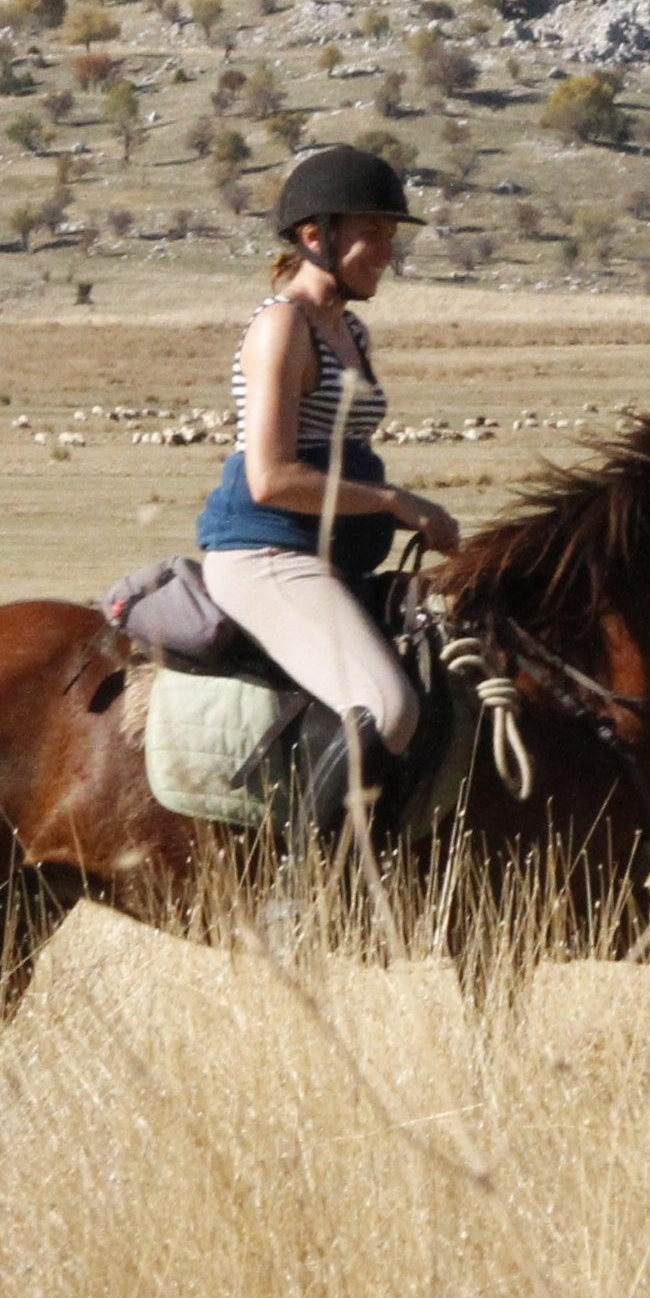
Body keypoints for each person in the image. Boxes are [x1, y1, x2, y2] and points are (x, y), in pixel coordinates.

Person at [195, 144, 462, 845]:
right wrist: (397, 503)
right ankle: (301, 890)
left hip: (333, 562)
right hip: (265, 554)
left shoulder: (351, 327)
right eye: (373, 234)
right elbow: (273, 477)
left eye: (391, 237)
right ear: (316, 236)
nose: (386, 252)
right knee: (388, 706)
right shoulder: (282, 326)